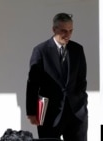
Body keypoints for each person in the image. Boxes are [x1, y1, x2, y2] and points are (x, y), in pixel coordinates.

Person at [26, 13, 88, 141]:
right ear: (54, 29)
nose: (68, 34)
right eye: (63, 31)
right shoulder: (41, 50)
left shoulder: (77, 49)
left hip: (76, 113)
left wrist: (82, 103)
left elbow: (81, 80)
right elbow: (33, 83)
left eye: (71, 31)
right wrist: (32, 112)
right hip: (49, 114)